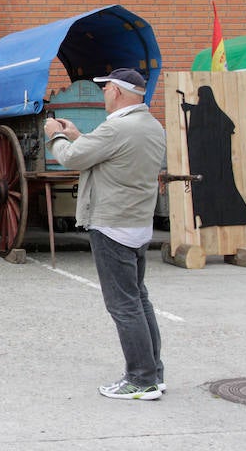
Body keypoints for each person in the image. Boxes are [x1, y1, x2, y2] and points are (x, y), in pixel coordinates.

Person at [43, 67, 166, 401]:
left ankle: (141, 380)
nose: (103, 95)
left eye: (106, 89)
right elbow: (108, 155)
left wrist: (56, 134)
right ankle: (154, 371)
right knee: (139, 298)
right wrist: (79, 136)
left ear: (116, 91)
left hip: (111, 224)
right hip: (138, 223)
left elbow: (70, 160)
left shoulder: (117, 128)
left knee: (124, 306)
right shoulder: (152, 126)